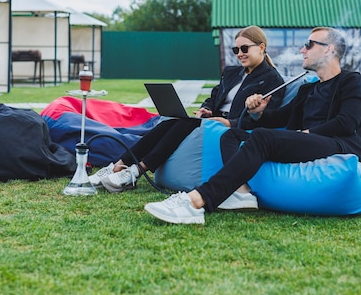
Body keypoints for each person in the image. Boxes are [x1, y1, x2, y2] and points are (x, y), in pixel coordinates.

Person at [144, 26, 361, 224]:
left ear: (329, 49)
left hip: (339, 143)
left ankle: (197, 200)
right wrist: (259, 111)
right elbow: (281, 117)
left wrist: (308, 132)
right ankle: (242, 192)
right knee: (230, 136)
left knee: (263, 137)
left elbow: (348, 122)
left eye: (308, 45)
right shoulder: (307, 89)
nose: (302, 50)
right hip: (308, 140)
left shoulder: (351, 81)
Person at [90, 25, 285, 193]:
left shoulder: (272, 79)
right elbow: (214, 96)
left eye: (244, 48)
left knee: (182, 124)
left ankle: (135, 172)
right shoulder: (232, 72)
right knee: (171, 121)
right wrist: (206, 109)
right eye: (236, 49)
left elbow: (266, 116)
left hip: (235, 128)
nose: (240, 53)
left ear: (261, 47)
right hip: (214, 120)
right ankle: (118, 165)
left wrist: (229, 122)